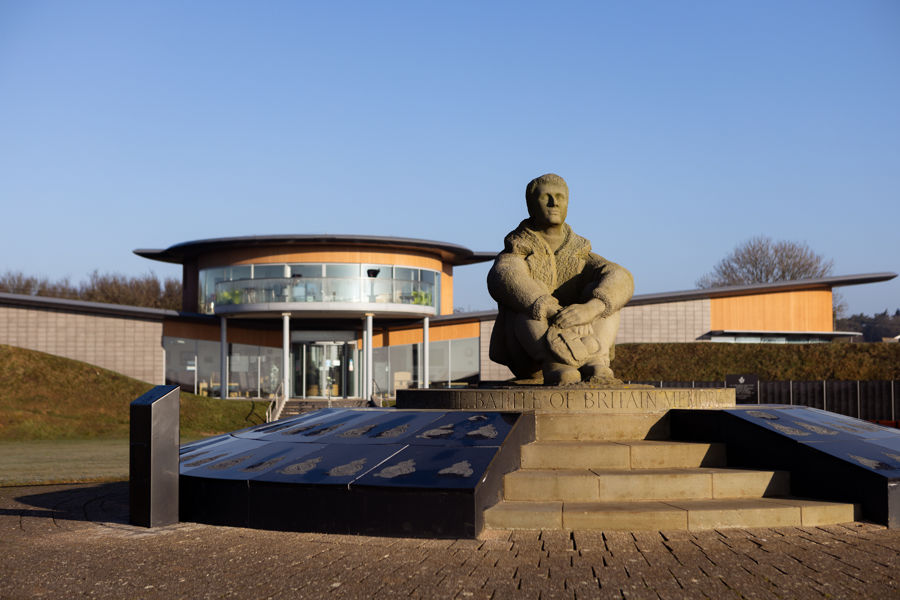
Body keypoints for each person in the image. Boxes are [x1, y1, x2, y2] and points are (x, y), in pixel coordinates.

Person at [487, 173, 634, 385]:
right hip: (531, 352)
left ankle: (595, 362)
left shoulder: (580, 253)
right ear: (530, 205)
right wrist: (552, 310)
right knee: (526, 298)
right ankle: (554, 362)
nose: (553, 202)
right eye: (545, 196)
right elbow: (505, 275)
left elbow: (620, 276)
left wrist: (589, 309)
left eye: (559, 197)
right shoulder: (517, 250)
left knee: (606, 295)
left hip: (585, 340)